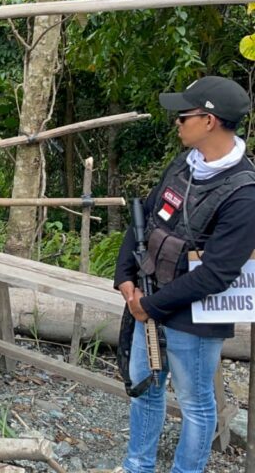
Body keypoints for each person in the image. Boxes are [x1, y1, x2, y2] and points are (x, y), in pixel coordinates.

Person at [113, 76, 255, 473]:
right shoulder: (184, 163)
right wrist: (125, 278)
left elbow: (216, 275)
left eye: (183, 116)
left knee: (195, 404)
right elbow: (146, 220)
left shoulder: (244, 194)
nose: (177, 123)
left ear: (209, 121)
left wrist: (150, 306)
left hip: (193, 317)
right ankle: (137, 466)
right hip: (147, 298)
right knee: (144, 387)